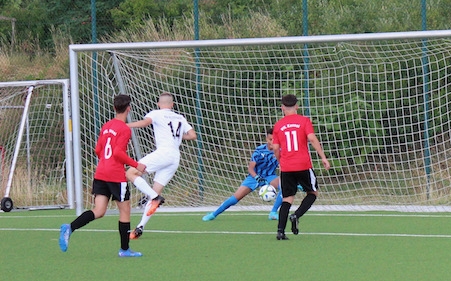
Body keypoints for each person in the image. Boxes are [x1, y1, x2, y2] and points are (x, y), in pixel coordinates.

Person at [59, 94, 145, 257]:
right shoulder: (124, 129)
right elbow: (118, 153)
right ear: (129, 109)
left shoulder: (106, 126)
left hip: (101, 173)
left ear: (114, 108)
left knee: (99, 210)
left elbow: (98, 150)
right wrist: (136, 164)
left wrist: (106, 161)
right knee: (125, 210)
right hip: (115, 175)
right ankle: (125, 250)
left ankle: (70, 228)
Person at [126, 92, 197, 240]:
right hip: (175, 157)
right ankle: (140, 227)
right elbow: (192, 135)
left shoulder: (156, 113)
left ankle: (155, 197)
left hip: (163, 153)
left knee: (131, 173)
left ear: (159, 104)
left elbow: (145, 123)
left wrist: (127, 125)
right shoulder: (180, 117)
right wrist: (178, 137)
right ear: (172, 105)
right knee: (155, 191)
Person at [271, 93, 330, 240]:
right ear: (297, 106)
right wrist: (323, 157)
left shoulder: (278, 125)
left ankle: (280, 231)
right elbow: (312, 138)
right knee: (312, 193)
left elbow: (275, 147)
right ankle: (296, 215)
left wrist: (280, 161)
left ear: (282, 107)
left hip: (286, 167)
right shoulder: (304, 121)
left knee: (287, 198)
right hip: (303, 164)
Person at [203, 129, 283, 221]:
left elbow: (283, 165)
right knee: (235, 198)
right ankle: (213, 214)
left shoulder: (280, 150)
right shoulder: (259, 150)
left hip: (270, 176)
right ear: (266, 139)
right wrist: (256, 177)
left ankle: (273, 212)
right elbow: (250, 168)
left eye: (274, 140)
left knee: (284, 186)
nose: (272, 142)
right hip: (254, 177)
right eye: (270, 139)